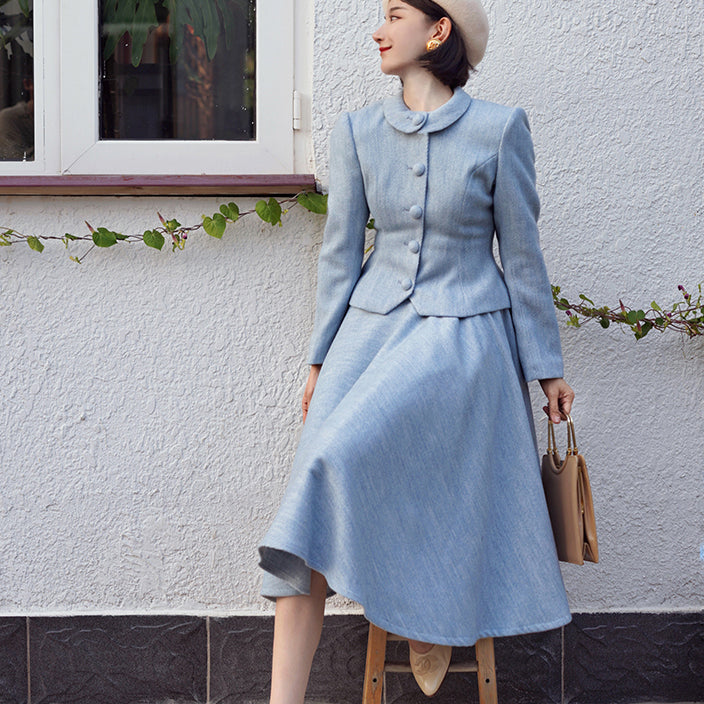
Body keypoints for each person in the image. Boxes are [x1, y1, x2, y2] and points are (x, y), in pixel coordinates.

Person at [258, 0, 575, 700]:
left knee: (351, 459)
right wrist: (319, 359)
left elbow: (522, 259)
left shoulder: (499, 130)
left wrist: (545, 368)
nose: (378, 28)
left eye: (395, 13)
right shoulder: (358, 132)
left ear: (438, 32)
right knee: (316, 477)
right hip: (368, 337)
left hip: (465, 343)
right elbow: (340, 257)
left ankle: (429, 611)